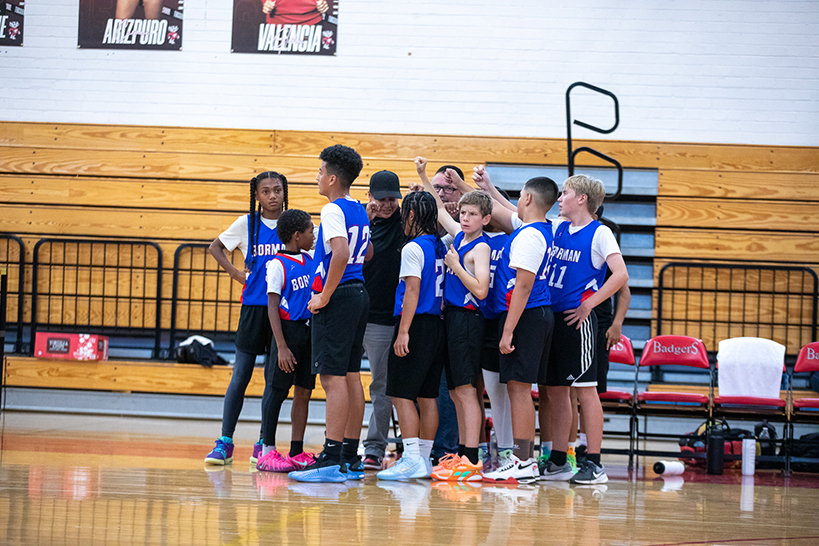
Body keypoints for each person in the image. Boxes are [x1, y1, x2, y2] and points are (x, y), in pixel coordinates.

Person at [289, 144, 372, 483]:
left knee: (332, 378)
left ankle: (330, 458)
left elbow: (341, 253)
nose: (317, 177)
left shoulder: (333, 209)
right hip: (359, 293)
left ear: (333, 178)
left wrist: (324, 295)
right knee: (351, 375)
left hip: (340, 296)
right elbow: (367, 253)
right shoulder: (359, 209)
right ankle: (350, 457)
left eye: (321, 171)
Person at [541, 175, 629, 485]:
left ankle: (594, 462)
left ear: (582, 199)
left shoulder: (600, 232)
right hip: (553, 319)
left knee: (586, 391)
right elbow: (514, 213)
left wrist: (589, 303)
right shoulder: (558, 227)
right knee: (556, 391)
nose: (559, 198)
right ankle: (559, 459)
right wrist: (486, 189)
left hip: (578, 322)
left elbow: (621, 275)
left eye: (564, 192)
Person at [478, 175, 559, 484]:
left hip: (527, 315)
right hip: (535, 314)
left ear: (527, 198)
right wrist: (473, 186)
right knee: (518, 389)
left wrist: (508, 330)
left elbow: (523, 286)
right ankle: (523, 460)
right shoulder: (539, 228)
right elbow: (496, 208)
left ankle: (523, 461)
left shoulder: (528, 236)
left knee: (520, 389)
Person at [204, 171, 288, 466]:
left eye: (277, 190)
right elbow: (215, 247)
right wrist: (236, 273)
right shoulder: (246, 223)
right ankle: (225, 441)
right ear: (257, 196)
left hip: (284, 311)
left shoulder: (294, 223)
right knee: (240, 376)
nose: (273, 196)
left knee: (272, 380)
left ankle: (264, 442)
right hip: (254, 307)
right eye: (266, 191)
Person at [416, 157, 491, 482]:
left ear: (485, 219)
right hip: (452, 318)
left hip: (468, 320)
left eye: (472, 214)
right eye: (463, 213)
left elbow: (481, 289)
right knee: (457, 392)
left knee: (466, 391)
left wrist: (456, 266)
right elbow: (438, 208)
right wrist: (422, 174)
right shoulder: (460, 236)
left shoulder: (481, 247)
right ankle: (462, 453)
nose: (465, 218)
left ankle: (471, 458)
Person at [377, 191, 447, 481]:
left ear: (413, 215)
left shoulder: (412, 248)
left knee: (401, 393)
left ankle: (411, 458)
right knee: (427, 395)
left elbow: (413, 290)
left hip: (415, 324)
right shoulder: (441, 245)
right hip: (437, 325)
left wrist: (403, 331)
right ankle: (425, 460)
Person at [256, 209, 317, 473]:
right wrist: (281, 347)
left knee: (304, 391)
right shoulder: (277, 265)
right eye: (310, 231)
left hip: (309, 333)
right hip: (287, 333)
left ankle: (296, 450)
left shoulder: (310, 258)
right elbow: (272, 308)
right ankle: (267, 451)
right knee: (277, 391)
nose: (314, 235)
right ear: (296, 235)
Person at [575, 206, 632, 466]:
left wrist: (617, 324)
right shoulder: (571, 238)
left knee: (590, 389)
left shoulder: (602, 240)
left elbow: (624, 291)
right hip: (574, 318)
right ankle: (572, 446)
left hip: (598, 323)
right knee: (570, 390)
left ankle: (587, 447)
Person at [361, 170, 404, 470]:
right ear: (370, 196)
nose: (388, 204)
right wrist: (365, 221)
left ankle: (374, 448)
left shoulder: (406, 222)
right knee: (344, 383)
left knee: (381, 386)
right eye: (382, 199)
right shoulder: (360, 222)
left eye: (393, 199)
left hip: (385, 319)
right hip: (356, 314)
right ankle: (341, 444)